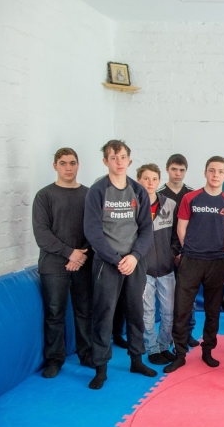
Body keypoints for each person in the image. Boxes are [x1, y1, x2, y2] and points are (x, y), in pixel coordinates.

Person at [83, 140, 155, 389]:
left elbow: (146, 229)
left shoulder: (138, 191)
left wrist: (134, 256)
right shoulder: (97, 191)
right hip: (107, 263)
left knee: (135, 311)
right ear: (106, 161)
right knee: (104, 314)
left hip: (134, 262)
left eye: (123, 157)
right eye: (113, 157)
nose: (119, 161)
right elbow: (92, 231)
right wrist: (115, 259)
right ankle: (101, 368)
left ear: (129, 161)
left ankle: (137, 360)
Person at [163, 156, 224, 373]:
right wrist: (190, 250)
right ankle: (179, 354)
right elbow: (181, 228)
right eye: (212, 170)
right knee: (182, 309)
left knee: (212, 310)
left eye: (220, 171)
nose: (215, 175)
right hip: (191, 261)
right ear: (205, 173)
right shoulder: (190, 198)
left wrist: (219, 253)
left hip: (216, 262)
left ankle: (208, 350)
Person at [32, 147, 93, 378]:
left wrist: (81, 255)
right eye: (64, 163)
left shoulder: (89, 195)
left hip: (84, 262)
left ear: (78, 165)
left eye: (72, 163)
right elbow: (42, 234)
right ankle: (55, 360)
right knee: (54, 313)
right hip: (53, 265)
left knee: (84, 311)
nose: (68, 167)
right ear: (55, 166)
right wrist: (70, 254)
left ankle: (87, 354)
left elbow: (95, 229)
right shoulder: (44, 196)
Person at [136, 164, 179, 365]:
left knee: (169, 312)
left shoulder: (170, 204)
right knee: (148, 313)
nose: (150, 183)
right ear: (138, 180)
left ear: (159, 181)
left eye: (154, 179)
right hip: (143, 270)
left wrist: (172, 254)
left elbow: (176, 235)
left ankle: (164, 346)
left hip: (166, 269)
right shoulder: (132, 206)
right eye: (146, 178)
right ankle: (152, 349)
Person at [157, 153, 199, 348]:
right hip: (164, 252)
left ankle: (188, 332)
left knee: (189, 295)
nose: (177, 173)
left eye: (181, 170)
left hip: (187, 252)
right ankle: (170, 333)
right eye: (174, 169)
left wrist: (185, 251)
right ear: (167, 169)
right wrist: (171, 253)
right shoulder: (158, 194)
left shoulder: (192, 195)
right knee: (169, 298)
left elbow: (196, 226)